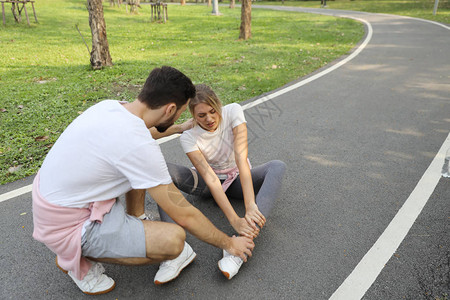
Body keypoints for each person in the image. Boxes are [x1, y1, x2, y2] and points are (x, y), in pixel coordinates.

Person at [32, 67, 254, 295]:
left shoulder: (111, 107)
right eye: (179, 113)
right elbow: (184, 214)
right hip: (67, 226)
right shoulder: (138, 145)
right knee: (175, 241)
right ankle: (75, 258)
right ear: (170, 109)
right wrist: (229, 243)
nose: (180, 117)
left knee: (138, 172)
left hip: (53, 199)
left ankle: (136, 220)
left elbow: (146, 132)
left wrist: (176, 128)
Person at [159, 84, 286, 280]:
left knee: (277, 166)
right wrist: (234, 219)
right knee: (160, 169)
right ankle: (173, 252)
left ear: (218, 104)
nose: (209, 119)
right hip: (207, 183)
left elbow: (241, 159)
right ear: (193, 115)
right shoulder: (188, 137)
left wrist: (250, 205)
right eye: (201, 116)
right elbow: (210, 177)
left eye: (212, 111)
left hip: (235, 179)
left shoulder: (233, 111)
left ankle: (239, 247)